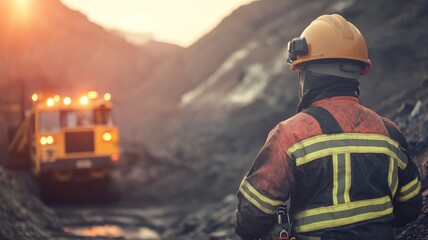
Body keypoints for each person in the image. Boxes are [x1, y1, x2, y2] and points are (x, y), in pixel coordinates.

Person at [235, 14, 422, 240]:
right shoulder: (390, 133)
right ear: (358, 72)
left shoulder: (290, 135)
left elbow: (251, 219)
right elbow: (411, 208)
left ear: (307, 75)